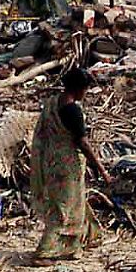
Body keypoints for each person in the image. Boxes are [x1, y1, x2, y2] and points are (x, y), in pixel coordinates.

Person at [30, 69, 105, 260]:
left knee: (74, 202)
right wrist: (100, 168)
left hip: (50, 161)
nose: (85, 93)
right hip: (67, 166)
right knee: (63, 208)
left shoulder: (52, 103)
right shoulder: (72, 110)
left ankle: (85, 238)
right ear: (79, 88)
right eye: (85, 89)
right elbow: (82, 142)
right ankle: (44, 252)